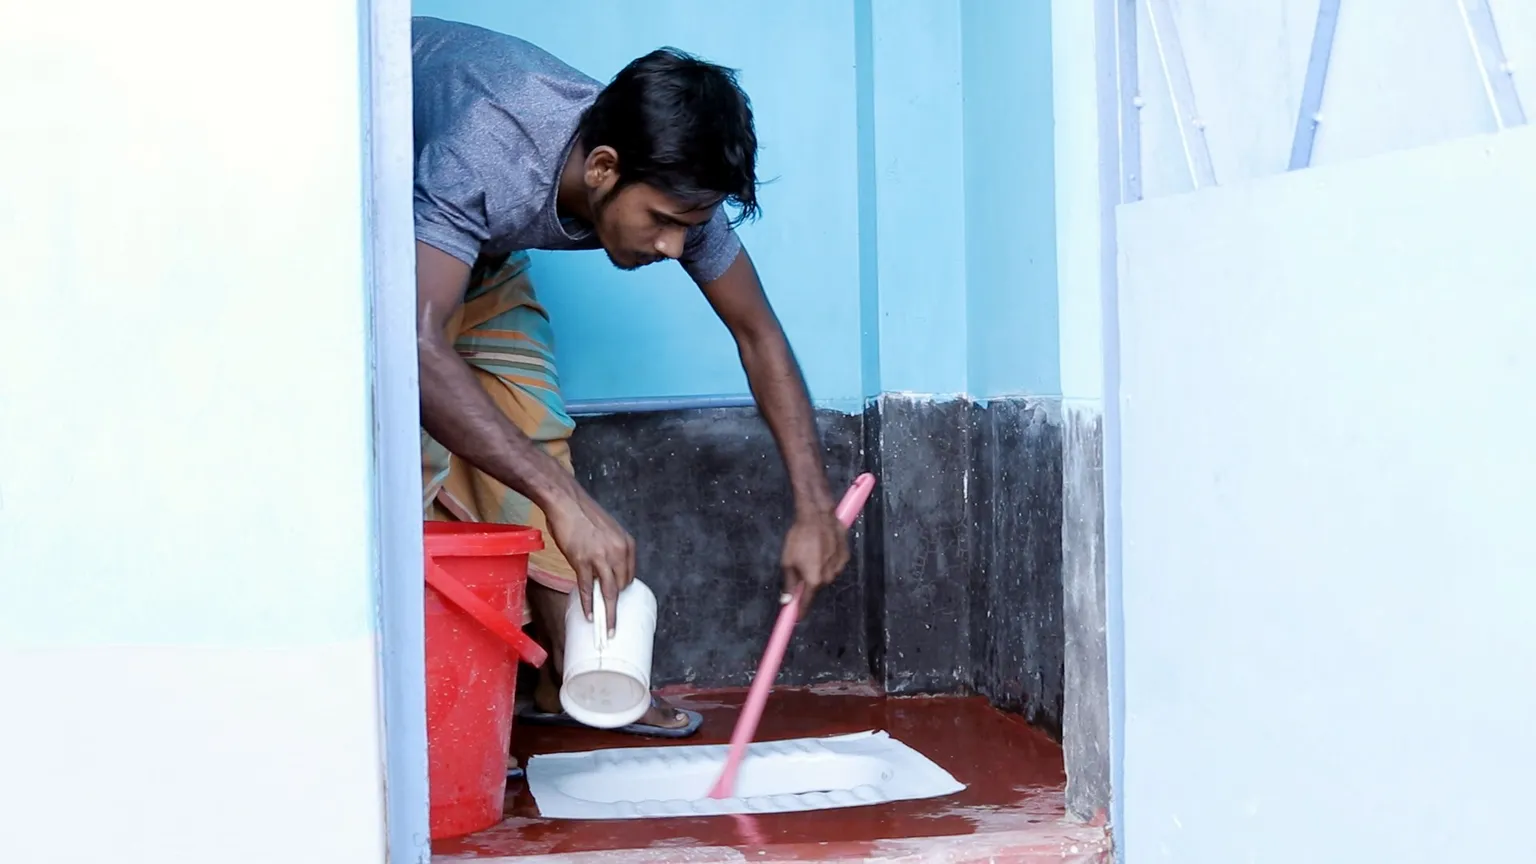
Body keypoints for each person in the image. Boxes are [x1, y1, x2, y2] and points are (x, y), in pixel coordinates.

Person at [412, 16, 849, 737]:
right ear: (603, 168)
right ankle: (434, 709)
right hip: (371, 226)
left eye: (690, 224)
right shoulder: (484, 148)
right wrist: (565, 503)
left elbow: (757, 332)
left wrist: (813, 507)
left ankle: (571, 678)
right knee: (409, 446)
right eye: (663, 221)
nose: (675, 244)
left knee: (530, 423)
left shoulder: (671, 178)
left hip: (469, 246)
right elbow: (417, 346)